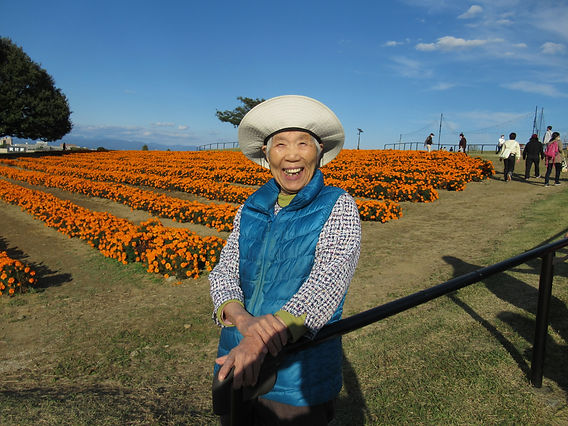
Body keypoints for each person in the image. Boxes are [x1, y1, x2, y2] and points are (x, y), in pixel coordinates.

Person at [210, 95, 361, 425]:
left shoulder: (338, 205)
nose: (292, 155)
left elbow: (326, 285)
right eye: (280, 144)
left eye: (303, 143)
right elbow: (225, 269)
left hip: (296, 373)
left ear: (319, 150)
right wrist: (241, 320)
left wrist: (257, 340)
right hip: (237, 358)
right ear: (266, 154)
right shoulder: (251, 207)